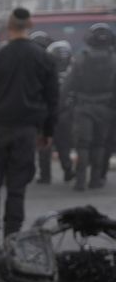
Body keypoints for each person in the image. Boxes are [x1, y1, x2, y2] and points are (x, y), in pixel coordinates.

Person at [0, 7, 60, 246]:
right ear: (30, 26)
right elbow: (52, 99)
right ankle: (12, 236)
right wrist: (47, 132)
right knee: (17, 187)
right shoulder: (44, 58)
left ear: (9, 27)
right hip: (25, 131)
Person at [64, 24, 116, 191]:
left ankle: (80, 181)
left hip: (84, 106)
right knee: (99, 144)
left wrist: (62, 103)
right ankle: (95, 180)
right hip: (106, 107)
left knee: (83, 145)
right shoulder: (113, 59)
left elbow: (68, 84)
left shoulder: (81, 58)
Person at [44, 39, 77, 187]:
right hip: (66, 113)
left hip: (48, 113)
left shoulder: (46, 73)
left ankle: (45, 176)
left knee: (45, 143)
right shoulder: (73, 73)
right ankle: (67, 169)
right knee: (64, 143)